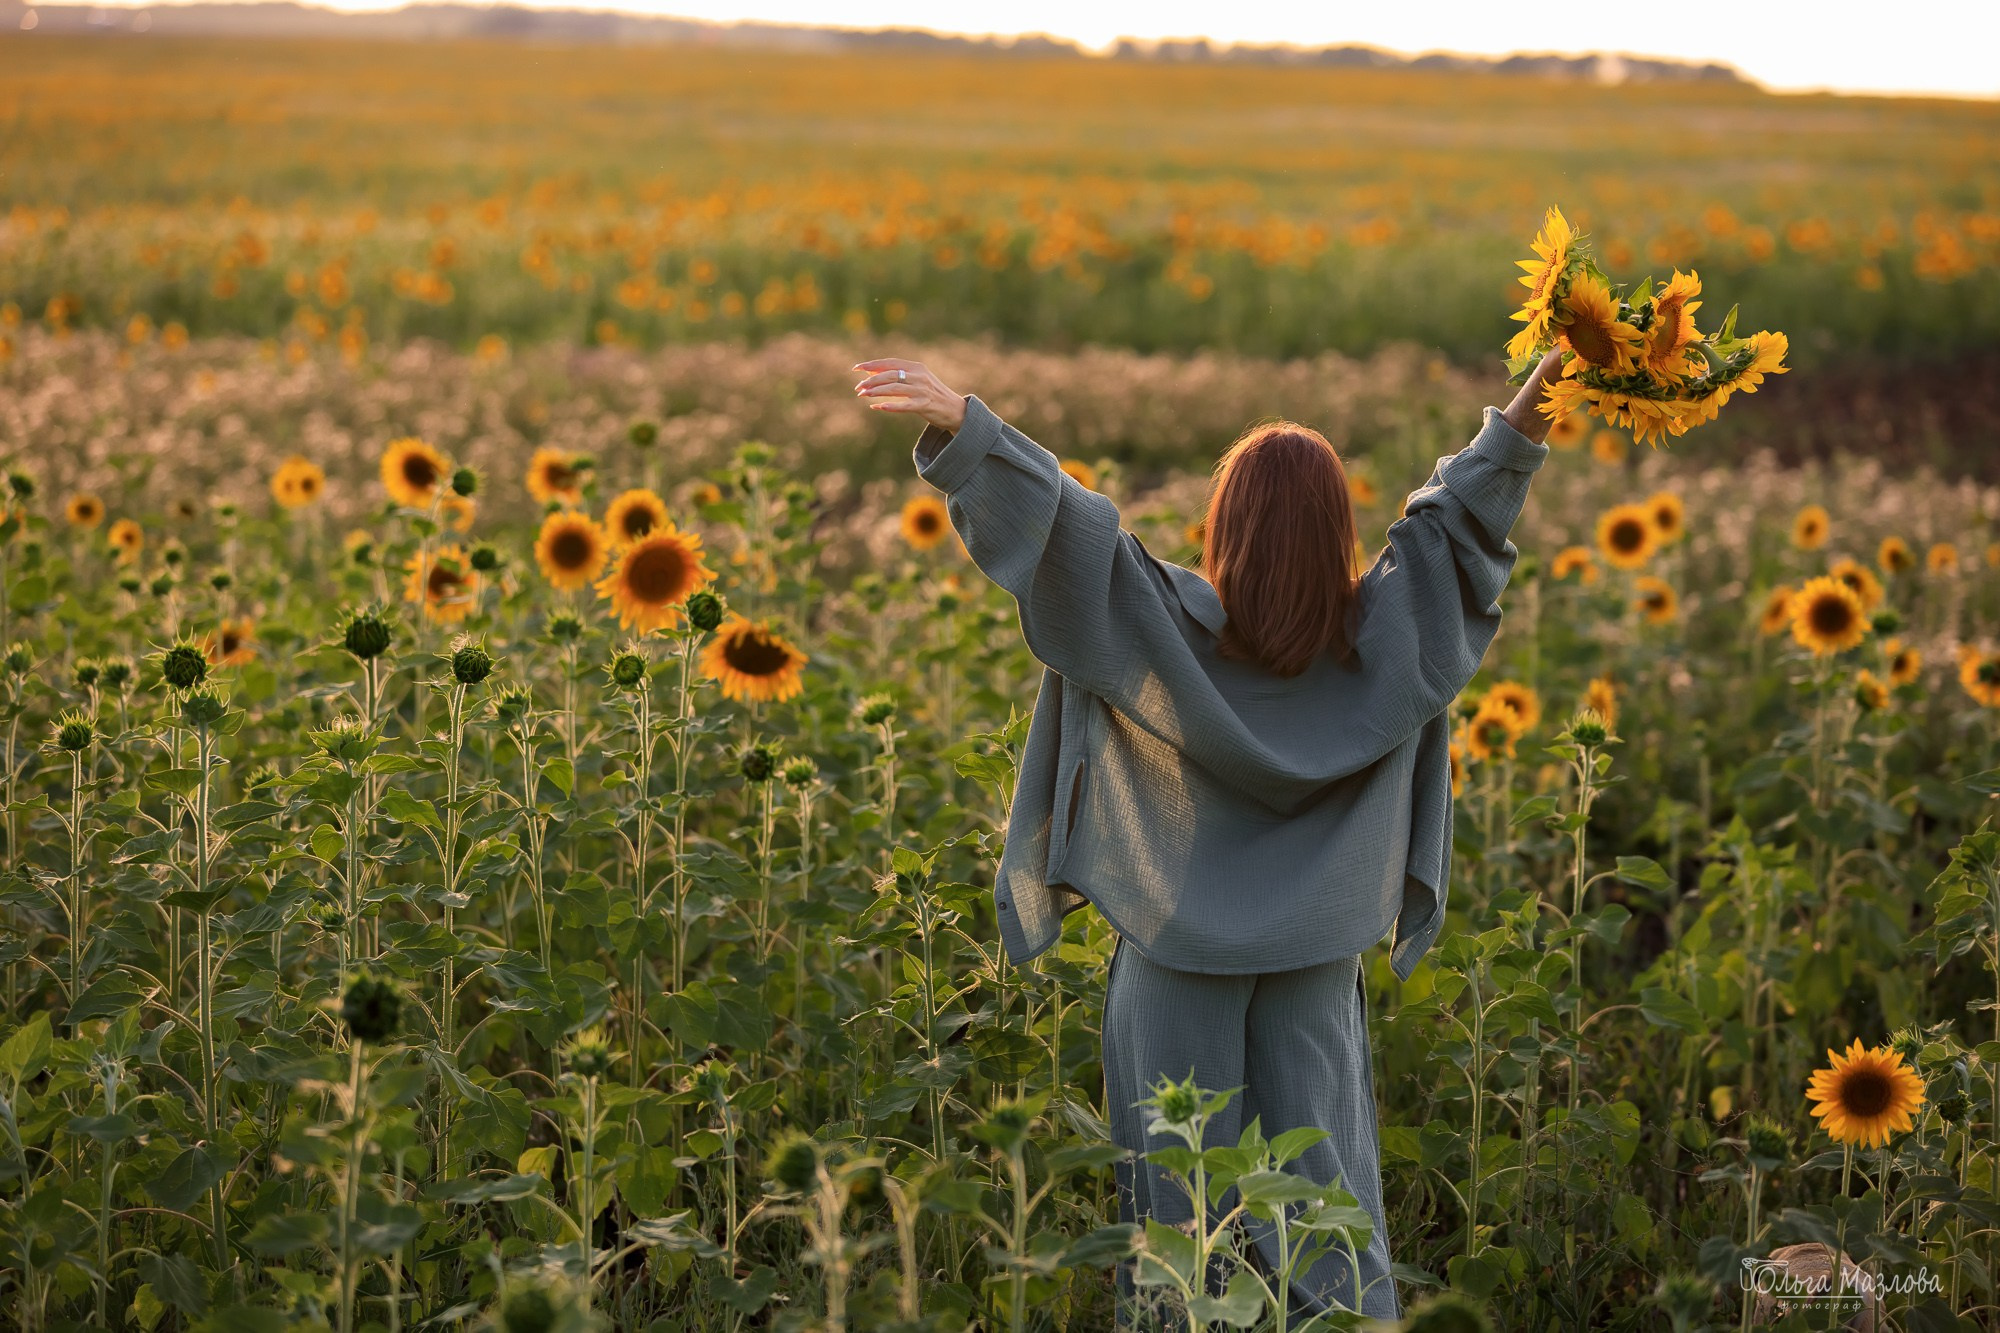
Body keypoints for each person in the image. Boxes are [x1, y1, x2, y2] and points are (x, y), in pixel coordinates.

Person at [852, 345, 1567, 1321]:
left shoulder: (1158, 627)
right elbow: (1457, 524)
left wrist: (965, 428)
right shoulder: (1389, 636)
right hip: (1314, 963)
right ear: (1335, 534)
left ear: (1221, 523)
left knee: (1179, 1227)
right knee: (1325, 1211)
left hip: (1174, 960)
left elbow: (1068, 534)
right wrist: (1534, 398)